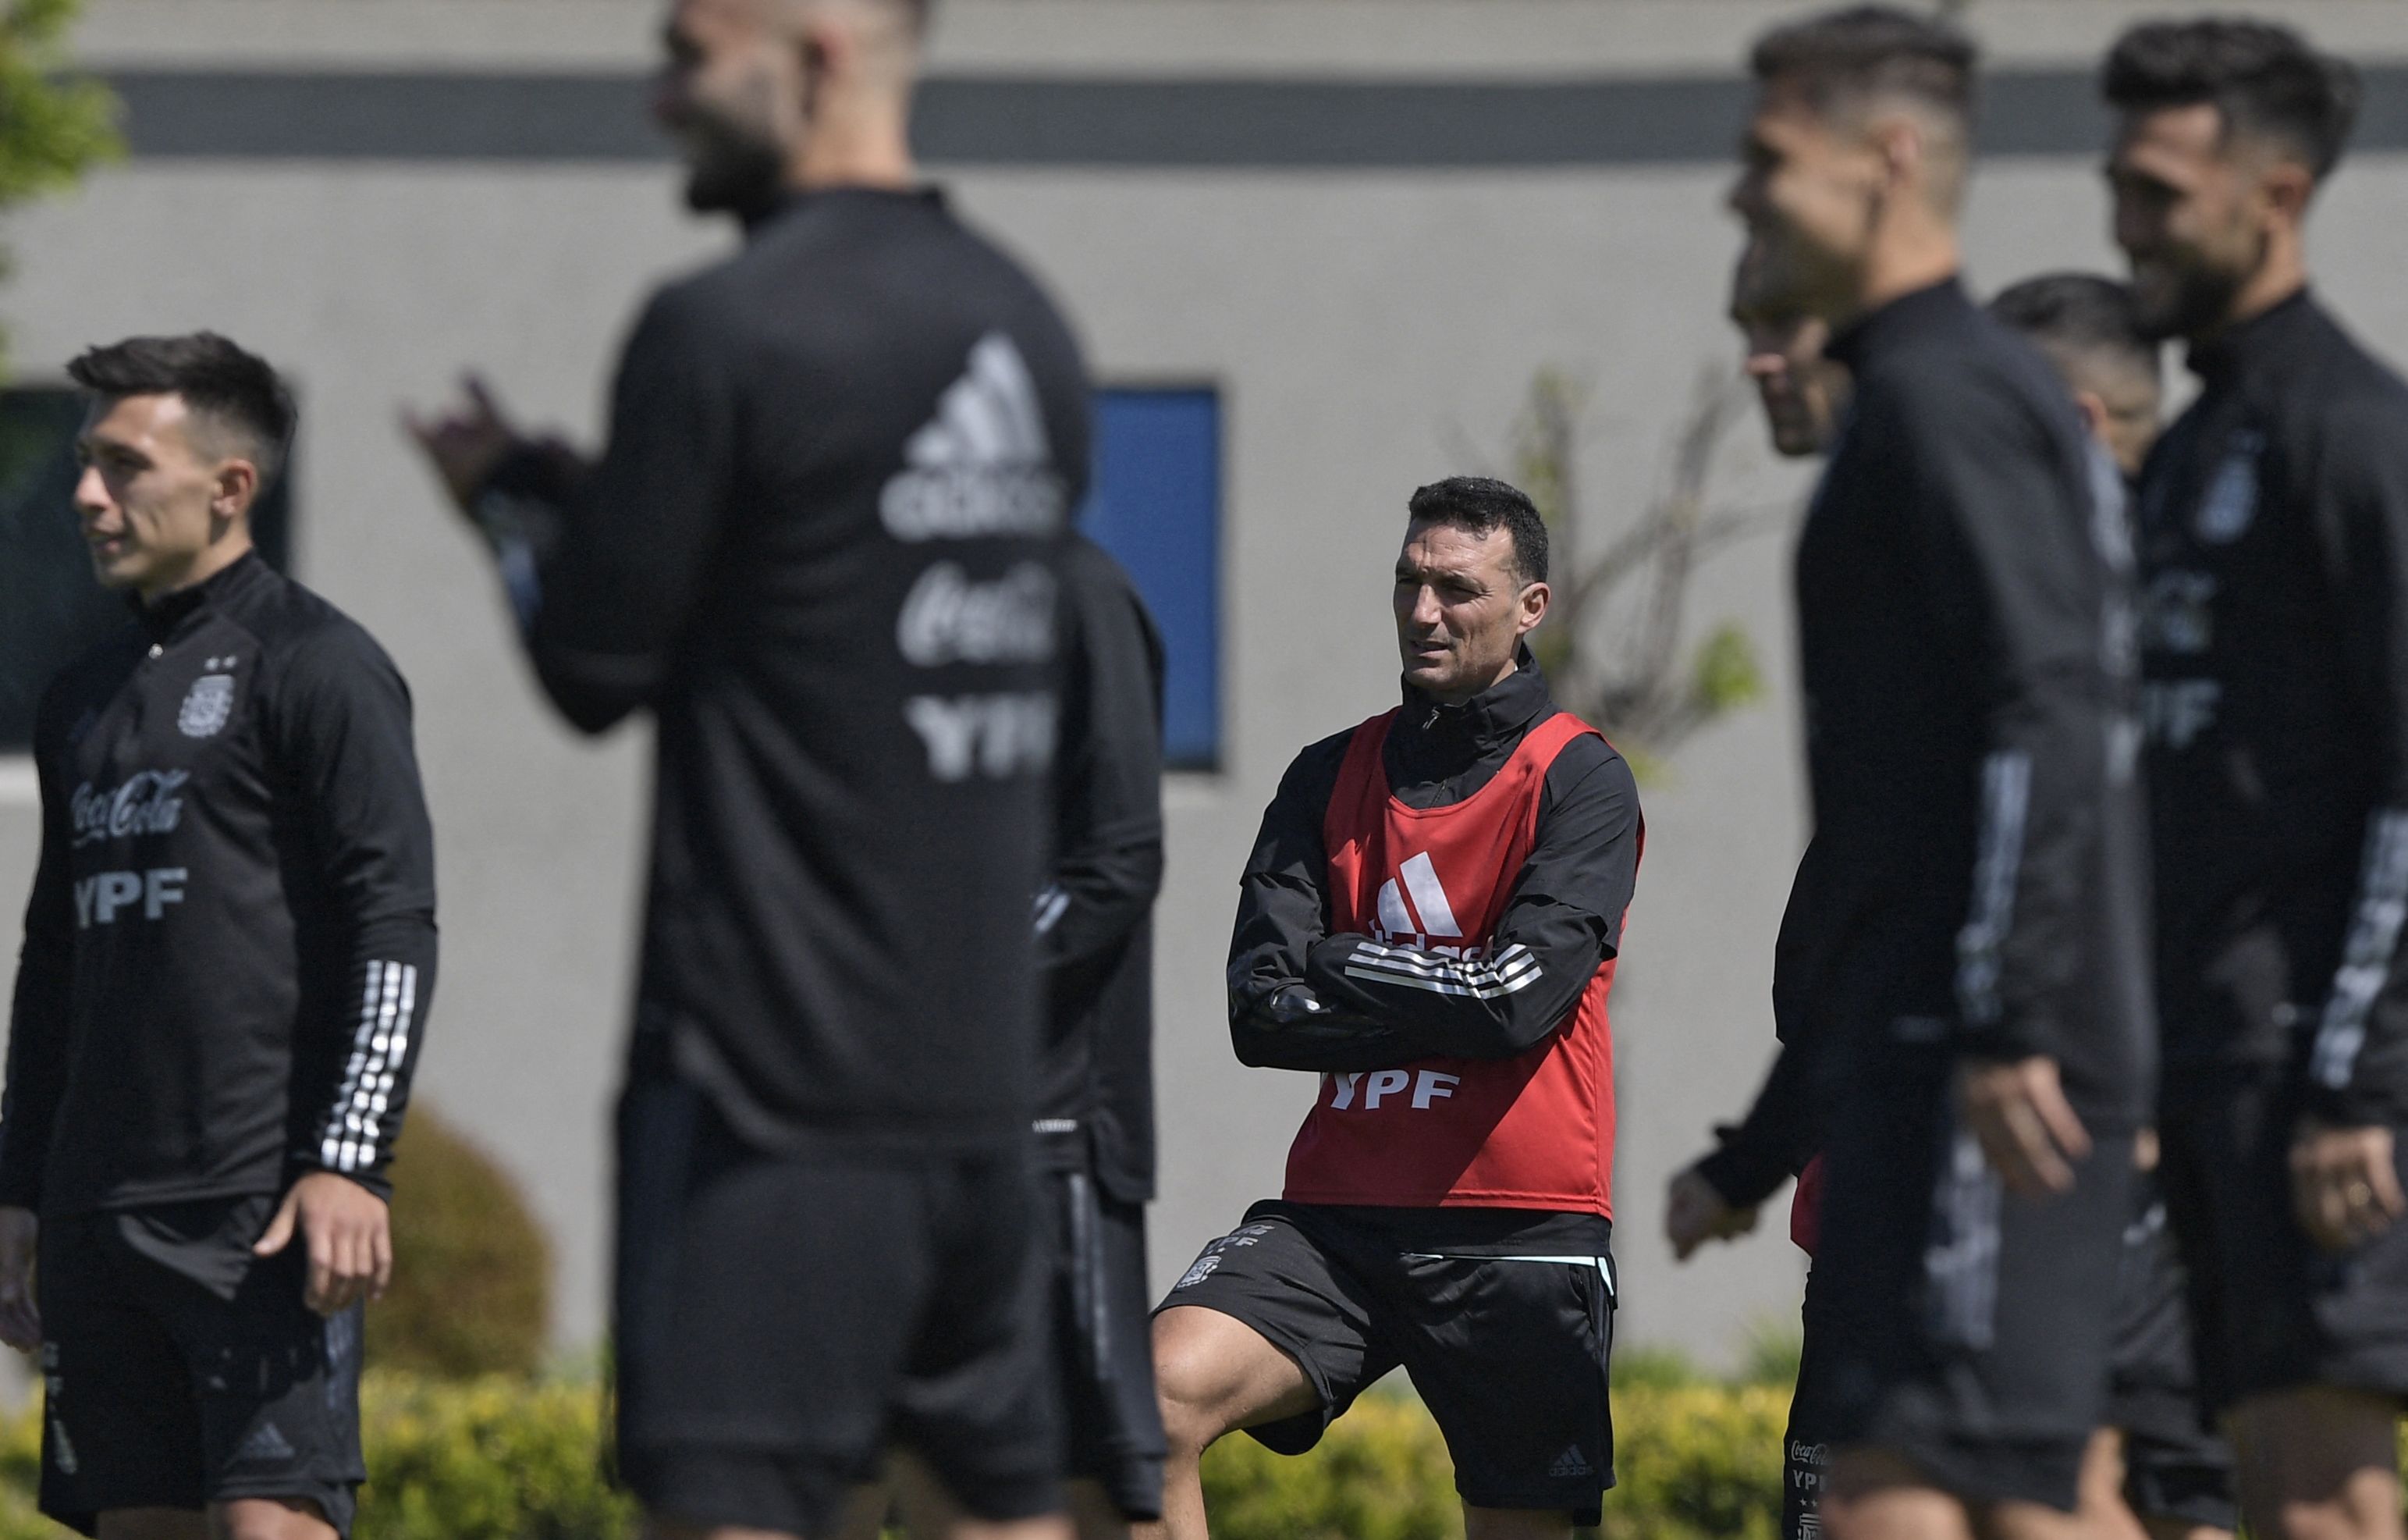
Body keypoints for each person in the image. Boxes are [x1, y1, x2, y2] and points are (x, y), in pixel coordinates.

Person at [400, 0, 1090, 1534]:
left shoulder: (724, 327)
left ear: (817, 54)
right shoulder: (1023, 323)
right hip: (978, 1102)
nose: (662, 100)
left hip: (764, 1101)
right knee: (998, 1506)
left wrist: (509, 502)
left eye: (691, 56)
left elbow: (594, 663)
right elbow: (811, 577)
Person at [1714, 8, 2157, 1538]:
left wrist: (2009, 1017)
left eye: (1769, 159)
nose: (1740, 194)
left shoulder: (1952, 402)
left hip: (1989, 1075)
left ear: (1887, 159)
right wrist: (1765, 1138)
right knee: (1934, 1490)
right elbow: (1888, 832)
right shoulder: (1906, 405)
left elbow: (2052, 718)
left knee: (1955, 1490)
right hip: (1912, 1070)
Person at [1145, 475, 1643, 1540]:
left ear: (1530, 607)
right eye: (1409, 582)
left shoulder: (1582, 779)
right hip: (1338, 1219)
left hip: (1520, 1229)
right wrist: (1443, 1003)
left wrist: (1338, 959)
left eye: (1457, 588)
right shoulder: (1325, 774)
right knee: (1142, 1408)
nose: (1424, 611)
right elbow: (1258, 1013)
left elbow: (1516, 1002)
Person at [1, 333, 438, 1538]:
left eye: (125, 465)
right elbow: (52, 964)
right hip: (98, 1221)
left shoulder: (319, 666)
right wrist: (18, 1190)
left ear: (229, 485)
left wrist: (350, 1157)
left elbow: (394, 924)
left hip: (257, 1215)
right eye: (86, 463)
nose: (88, 495)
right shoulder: (81, 699)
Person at [2103, 20, 2408, 1540]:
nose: (2127, 226)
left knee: (2324, 1500)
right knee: (2249, 1495)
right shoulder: (2192, 445)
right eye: (2119, 187)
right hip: (2212, 1066)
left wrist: (2356, 1080)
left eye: (2159, 192)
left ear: (2274, 194)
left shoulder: (2346, 431)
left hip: (2319, 1081)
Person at [1988, 272, 2236, 1540]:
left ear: (2077, 425)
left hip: (2151, 1119)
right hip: (2134, 1113)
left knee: (2071, 1474)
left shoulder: (2162, 608)